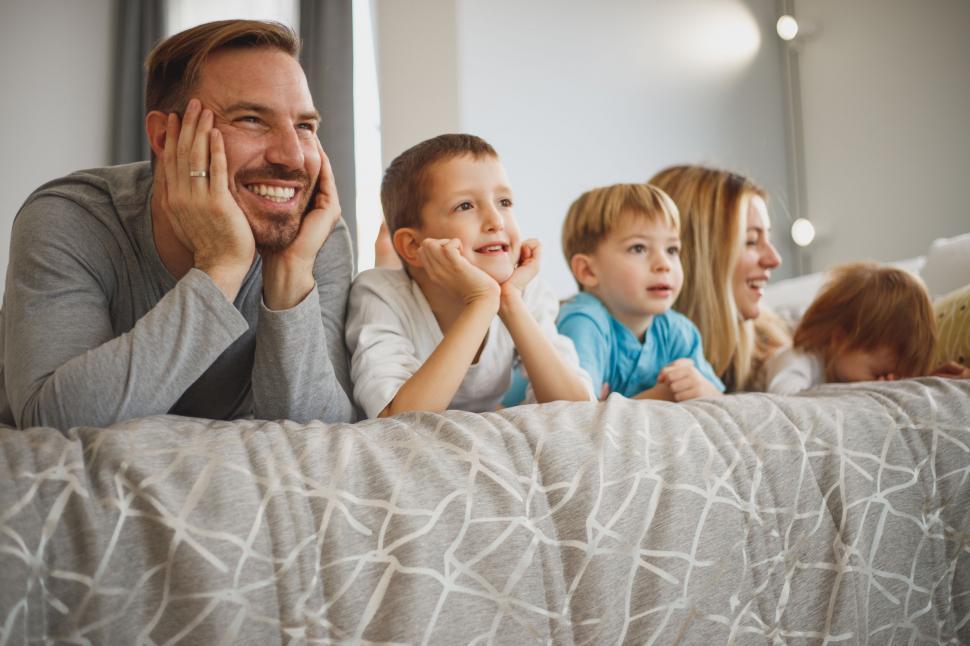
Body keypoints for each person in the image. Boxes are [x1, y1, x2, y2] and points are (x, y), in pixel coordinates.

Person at [0, 20, 356, 430]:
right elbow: (52, 423)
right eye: (251, 120)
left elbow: (323, 434)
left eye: (304, 127)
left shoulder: (312, 236)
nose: (292, 157)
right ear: (166, 137)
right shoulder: (72, 218)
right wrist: (220, 268)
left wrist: (291, 275)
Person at [345, 134, 594, 418]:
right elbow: (396, 421)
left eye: (504, 202)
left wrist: (510, 303)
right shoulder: (379, 293)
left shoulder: (524, 291)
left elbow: (578, 411)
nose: (496, 221)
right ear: (413, 246)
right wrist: (482, 301)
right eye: (465, 206)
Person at [557, 183, 724, 401]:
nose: (663, 264)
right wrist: (661, 396)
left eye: (672, 250)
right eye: (639, 248)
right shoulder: (583, 322)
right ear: (588, 271)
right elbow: (578, 417)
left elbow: (722, 400)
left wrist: (703, 389)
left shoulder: (679, 331)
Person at [649, 165, 789, 392]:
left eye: (768, 238)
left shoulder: (776, 355)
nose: (774, 259)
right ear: (697, 256)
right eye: (751, 241)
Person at [765, 262, 939, 394]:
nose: (885, 386)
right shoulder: (798, 358)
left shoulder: (848, 364)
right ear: (840, 339)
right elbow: (784, 402)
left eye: (897, 379)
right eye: (880, 374)